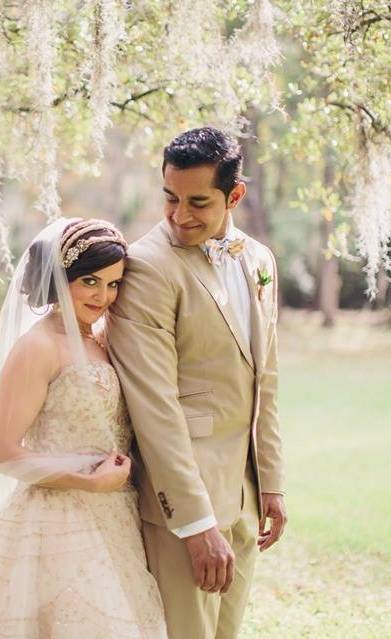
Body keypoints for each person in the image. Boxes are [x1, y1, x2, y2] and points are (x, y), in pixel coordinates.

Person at [0, 217, 167, 639]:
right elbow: (2, 453)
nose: (104, 296)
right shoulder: (37, 348)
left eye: (114, 284)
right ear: (60, 279)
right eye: (90, 281)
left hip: (117, 514)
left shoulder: (105, 339)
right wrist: (88, 482)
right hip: (58, 517)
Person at [107, 126, 289, 638]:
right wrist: (193, 522)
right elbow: (154, 406)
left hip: (246, 494)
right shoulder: (146, 267)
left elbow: (265, 378)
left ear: (235, 196)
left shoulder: (258, 259)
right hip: (184, 508)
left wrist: (271, 481)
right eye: (170, 198)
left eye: (198, 202)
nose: (179, 215)